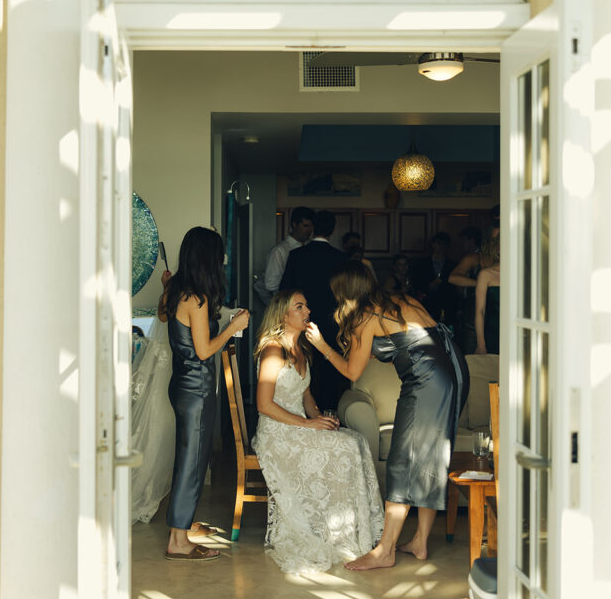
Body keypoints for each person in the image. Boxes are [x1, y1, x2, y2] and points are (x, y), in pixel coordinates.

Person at [305, 260, 468, 570]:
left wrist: (323, 346)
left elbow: (352, 370)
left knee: (402, 460)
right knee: (430, 459)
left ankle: (385, 551)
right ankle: (419, 542)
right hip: (450, 374)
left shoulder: (367, 317)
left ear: (346, 293)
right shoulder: (399, 300)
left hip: (425, 383)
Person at [251, 290, 384, 574]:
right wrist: (308, 425)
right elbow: (264, 405)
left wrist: (321, 418)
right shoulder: (273, 350)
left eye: (306, 305)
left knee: (354, 439)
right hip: (277, 435)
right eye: (300, 306)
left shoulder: (301, 349)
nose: (308, 310)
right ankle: (329, 532)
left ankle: (355, 528)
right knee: (345, 448)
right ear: (283, 315)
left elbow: (305, 396)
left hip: (298, 425)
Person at [158, 227, 250, 561]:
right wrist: (233, 328)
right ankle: (177, 542)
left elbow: (163, 315)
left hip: (181, 385)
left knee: (189, 460)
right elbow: (203, 350)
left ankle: (183, 525)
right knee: (191, 463)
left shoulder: (175, 291)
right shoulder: (196, 298)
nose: (222, 261)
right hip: (196, 390)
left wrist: (167, 285)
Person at [280, 210, 347, 412]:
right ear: (333, 231)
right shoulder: (340, 258)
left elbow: (284, 293)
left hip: (300, 324)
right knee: (329, 376)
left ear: (313, 229)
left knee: (300, 371)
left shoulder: (296, 256)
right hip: (332, 325)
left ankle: (300, 416)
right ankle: (328, 416)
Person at [254, 206, 315, 305]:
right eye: (305, 226)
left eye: (312, 226)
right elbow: (270, 285)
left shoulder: (310, 248)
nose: (310, 230)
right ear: (294, 225)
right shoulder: (280, 251)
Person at [447, 226, 484, 354]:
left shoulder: (476, 257)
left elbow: (452, 278)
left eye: (464, 241)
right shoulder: (471, 258)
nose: (462, 245)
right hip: (469, 306)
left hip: (476, 308)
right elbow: (454, 279)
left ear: (471, 241)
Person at [411, 232, 458, 325]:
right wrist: (428, 286)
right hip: (427, 304)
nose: (441, 246)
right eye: (439, 243)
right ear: (433, 245)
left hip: (447, 305)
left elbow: (455, 287)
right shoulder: (422, 264)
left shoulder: (453, 265)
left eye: (444, 244)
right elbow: (416, 283)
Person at [475, 234, 500, 355]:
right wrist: (481, 344)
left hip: (519, 335)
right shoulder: (486, 274)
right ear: (498, 249)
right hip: (492, 335)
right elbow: (480, 311)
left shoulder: (523, 273)